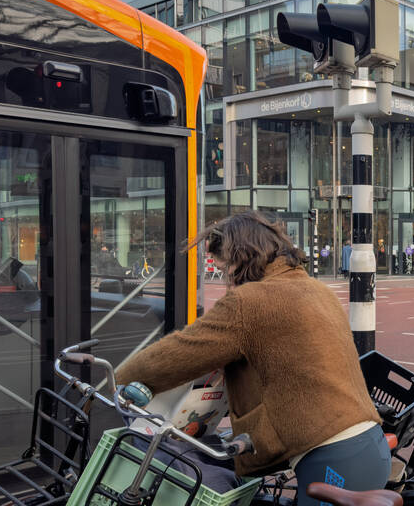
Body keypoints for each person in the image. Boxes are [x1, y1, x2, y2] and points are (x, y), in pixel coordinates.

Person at [115, 212, 389, 506]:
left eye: (225, 269)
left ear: (241, 257)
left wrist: (116, 379)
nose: (227, 279)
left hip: (333, 459)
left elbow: (177, 353)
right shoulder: (316, 289)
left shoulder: (248, 302)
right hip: (370, 445)